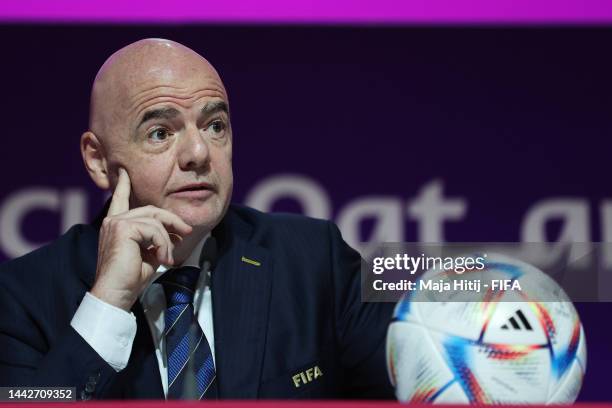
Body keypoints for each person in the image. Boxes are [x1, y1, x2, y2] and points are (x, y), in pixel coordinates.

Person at [0, 38, 395, 400]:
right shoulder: (21, 298)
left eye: (214, 126)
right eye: (160, 133)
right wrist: (107, 305)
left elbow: (418, 374)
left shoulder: (313, 260)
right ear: (99, 160)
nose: (198, 152)